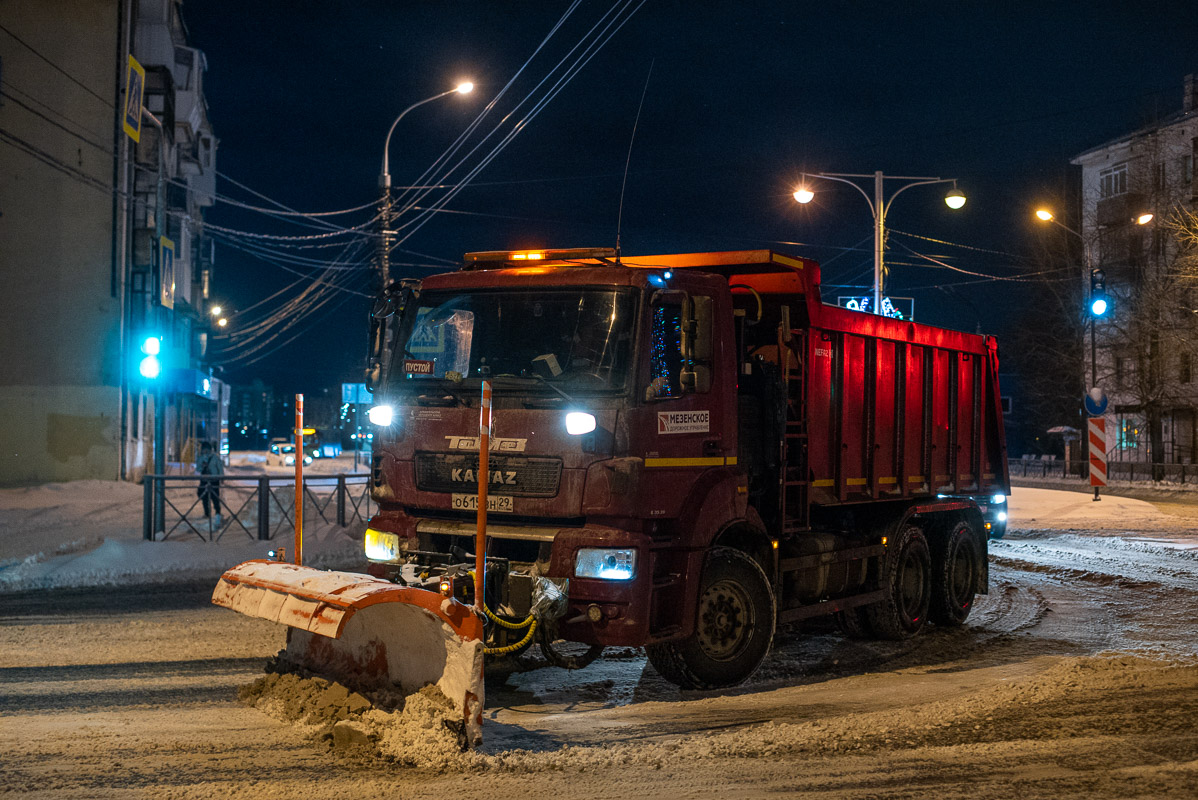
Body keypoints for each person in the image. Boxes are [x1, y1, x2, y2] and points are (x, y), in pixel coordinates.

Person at [196, 441, 224, 524]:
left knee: (211, 497)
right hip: (209, 480)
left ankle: (214, 513)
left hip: (209, 480)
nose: (204, 451)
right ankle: (212, 513)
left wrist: (221, 477)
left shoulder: (212, 457)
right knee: (208, 496)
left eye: (205, 449)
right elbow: (220, 468)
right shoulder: (205, 458)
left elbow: (219, 467)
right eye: (203, 449)